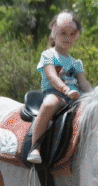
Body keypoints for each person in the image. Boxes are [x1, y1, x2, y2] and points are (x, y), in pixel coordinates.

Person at [26, 11, 93, 164]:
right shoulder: (48, 55)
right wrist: (65, 90)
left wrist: (94, 95)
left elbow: (83, 82)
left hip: (75, 96)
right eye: (63, 33)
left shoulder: (77, 63)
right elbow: (52, 76)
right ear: (54, 33)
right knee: (49, 104)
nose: (68, 38)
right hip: (56, 93)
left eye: (72, 34)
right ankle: (35, 147)